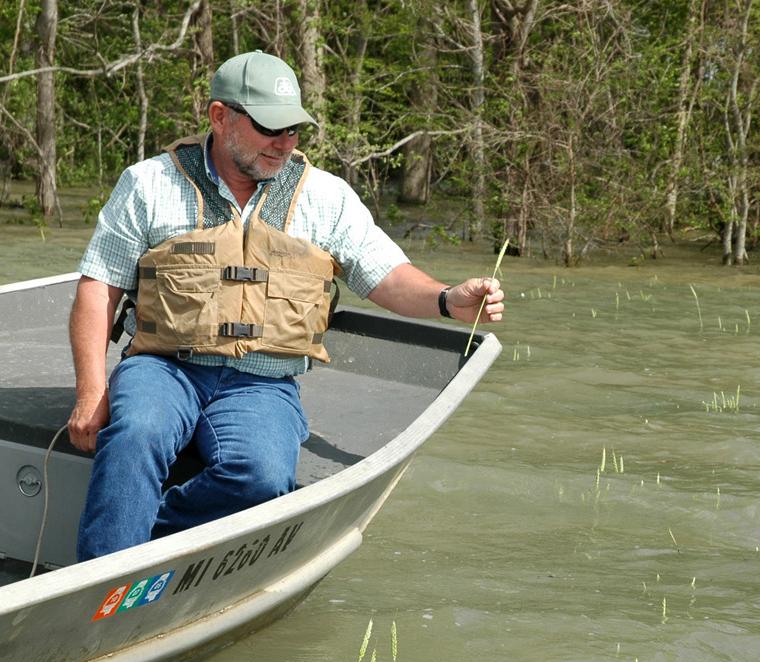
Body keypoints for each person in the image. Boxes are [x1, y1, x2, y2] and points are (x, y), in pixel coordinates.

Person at [68, 50, 504, 561]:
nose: (285, 142)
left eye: (294, 129)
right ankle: (102, 583)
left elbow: (386, 276)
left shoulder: (327, 197)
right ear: (220, 116)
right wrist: (91, 392)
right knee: (136, 432)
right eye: (270, 127)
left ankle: (147, 550)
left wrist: (448, 300)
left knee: (261, 477)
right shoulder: (147, 184)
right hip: (164, 368)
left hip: (262, 380)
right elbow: (99, 289)